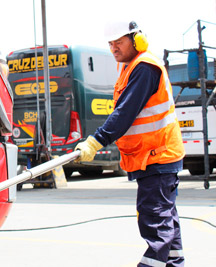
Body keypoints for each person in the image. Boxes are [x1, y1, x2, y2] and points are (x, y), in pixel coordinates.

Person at [75, 20, 186, 266]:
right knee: (165, 219)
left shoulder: (144, 68)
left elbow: (125, 112)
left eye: (119, 42)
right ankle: (174, 263)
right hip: (151, 156)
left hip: (157, 155)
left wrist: (96, 141)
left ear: (136, 40)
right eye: (110, 43)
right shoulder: (128, 67)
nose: (113, 48)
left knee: (154, 219)